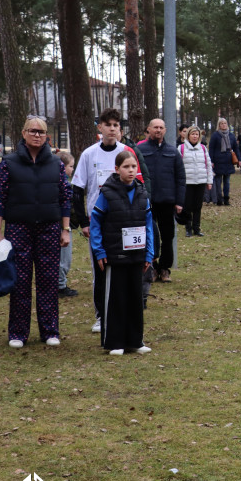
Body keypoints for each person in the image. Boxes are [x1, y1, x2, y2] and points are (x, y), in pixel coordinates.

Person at [0, 115, 72, 349]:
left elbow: (65, 197)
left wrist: (65, 229)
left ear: (47, 136)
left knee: (48, 281)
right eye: (32, 131)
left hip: (49, 229)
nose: (37, 135)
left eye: (41, 132)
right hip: (18, 229)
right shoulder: (9, 162)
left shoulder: (56, 164)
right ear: (23, 133)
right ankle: (18, 332)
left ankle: (50, 331)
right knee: (21, 281)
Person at [71, 108, 149, 332]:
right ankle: (101, 315)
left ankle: (126, 312)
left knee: (126, 267)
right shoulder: (89, 154)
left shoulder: (127, 152)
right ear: (100, 128)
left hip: (126, 222)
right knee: (101, 269)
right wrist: (84, 222)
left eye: (116, 125)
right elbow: (77, 190)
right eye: (108, 125)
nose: (112, 129)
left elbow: (141, 187)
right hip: (99, 223)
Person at [89, 150, 154, 355]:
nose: (131, 170)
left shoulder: (143, 193)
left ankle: (135, 340)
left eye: (133, 166)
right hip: (114, 255)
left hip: (137, 255)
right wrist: (99, 251)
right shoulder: (107, 193)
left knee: (136, 298)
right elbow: (95, 223)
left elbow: (149, 225)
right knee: (116, 298)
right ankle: (114, 341)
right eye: (126, 167)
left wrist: (149, 253)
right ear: (117, 170)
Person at [137, 118, 186, 283]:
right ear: (149, 129)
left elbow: (180, 178)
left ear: (165, 130)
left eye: (161, 127)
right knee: (149, 236)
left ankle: (164, 268)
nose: (158, 130)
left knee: (167, 235)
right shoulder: (139, 150)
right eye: (155, 127)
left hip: (167, 201)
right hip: (146, 201)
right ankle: (150, 267)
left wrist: (179, 202)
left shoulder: (173, 152)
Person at [179, 126, 212, 237]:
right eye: (193, 134)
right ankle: (188, 228)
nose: (195, 136)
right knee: (187, 206)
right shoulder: (181, 148)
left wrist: (209, 181)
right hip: (188, 182)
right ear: (188, 135)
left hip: (201, 181)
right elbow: (178, 166)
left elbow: (208, 165)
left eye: (197, 134)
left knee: (198, 206)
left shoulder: (203, 148)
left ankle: (196, 228)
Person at [56, 151, 79, 298]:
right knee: (64, 258)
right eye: (71, 166)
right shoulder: (62, 185)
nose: (72, 169)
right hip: (62, 225)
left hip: (63, 224)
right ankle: (60, 285)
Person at [208, 118, 239, 207]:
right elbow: (211, 149)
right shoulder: (215, 135)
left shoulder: (231, 135)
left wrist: (239, 159)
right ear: (219, 125)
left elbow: (236, 148)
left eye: (225, 123)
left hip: (228, 160)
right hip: (218, 161)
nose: (224, 125)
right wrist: (211, 161)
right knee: (218, 181)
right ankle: (219, 199)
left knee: (227, 181)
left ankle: (226, 198)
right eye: (222, 123)